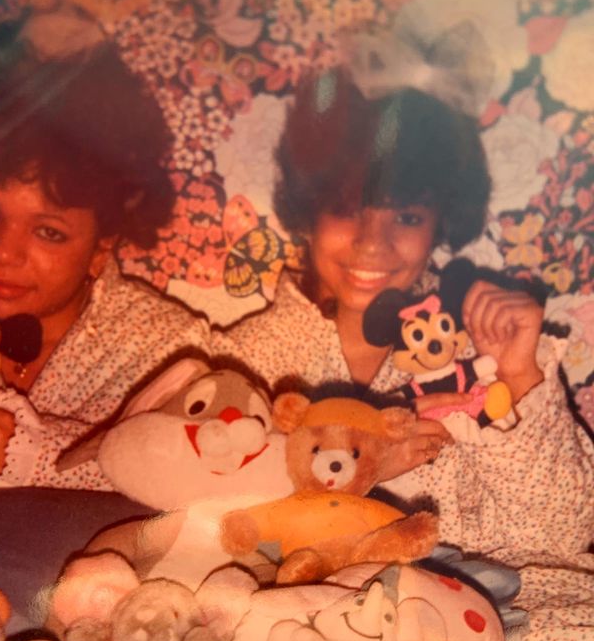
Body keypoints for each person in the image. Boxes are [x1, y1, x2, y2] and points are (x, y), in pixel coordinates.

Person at [213, 67, 594, 568]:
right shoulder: (245, 364)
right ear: (309, 214)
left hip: (490, 616)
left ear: (440, 224)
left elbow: (561, 538)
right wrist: (366, 454)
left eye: (407, 217)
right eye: (346, 210)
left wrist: (520, 375)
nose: (372, 244)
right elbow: (200, 516)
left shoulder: (487, 349)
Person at [0, 43, 209, 489]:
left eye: (47, 231)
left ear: (100, 247)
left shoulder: (160, 348)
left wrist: (33, 454)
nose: (4, 253)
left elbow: (199, 469)